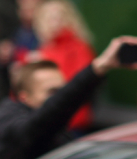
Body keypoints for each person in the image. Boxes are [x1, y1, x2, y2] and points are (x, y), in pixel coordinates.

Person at [0, 35, 137, 159]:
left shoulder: (58, 133)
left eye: (62, 90)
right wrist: (98, 68)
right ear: (25, 97)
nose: (59, 97)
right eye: (52, 92)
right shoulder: (13, 128)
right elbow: (43, 120)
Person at [29, 0, 94, 131]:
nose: (54, 23)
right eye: (50, 19)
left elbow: (81, 83)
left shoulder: (78, 48)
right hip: (46, 119)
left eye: (59, 18)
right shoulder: (44, 48)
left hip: (71, 120)